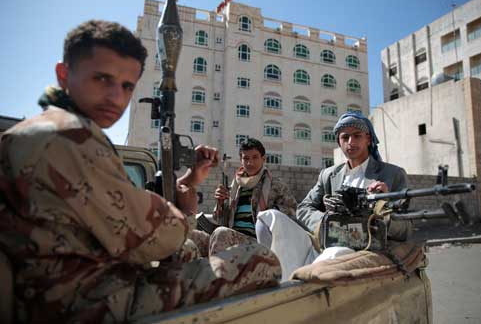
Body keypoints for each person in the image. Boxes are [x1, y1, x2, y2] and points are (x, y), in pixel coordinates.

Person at [0, 20, 280, 323]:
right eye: (102, 79)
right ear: (64, 75)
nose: (115, 97)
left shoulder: (40, 131)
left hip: (78, 278)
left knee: (192, 246)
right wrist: (185, 206)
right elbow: (156, 239)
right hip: (88, 300)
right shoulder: (70, 137)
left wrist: (186, 184)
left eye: (126, 86)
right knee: (261, 260)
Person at [255, 112, 413, 280]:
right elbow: (304, 208)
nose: (351, 142)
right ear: (339, 142)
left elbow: (407, 227)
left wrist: (383, 205)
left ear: (368, 139)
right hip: (324, 239)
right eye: (345, 137)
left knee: (334, 253)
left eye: (357, 136)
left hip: (360, 249)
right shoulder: (329, 175)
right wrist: (328, 222)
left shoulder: (392, 174)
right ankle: (276, 281)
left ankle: (296, 288)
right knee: (267, 218)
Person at [204, 138, 297, 255]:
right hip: (232, 236)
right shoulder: (235, 186)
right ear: (241, 160)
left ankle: (216, 273)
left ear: (263, 159)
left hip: (260, 242)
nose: (250, 163)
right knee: (195, 237)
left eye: (255, 157)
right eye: (246, 158)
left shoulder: (276, 186)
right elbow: (219, 220)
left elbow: (291, 213)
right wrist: (220, 202)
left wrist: (268, 216)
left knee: (221, 234)